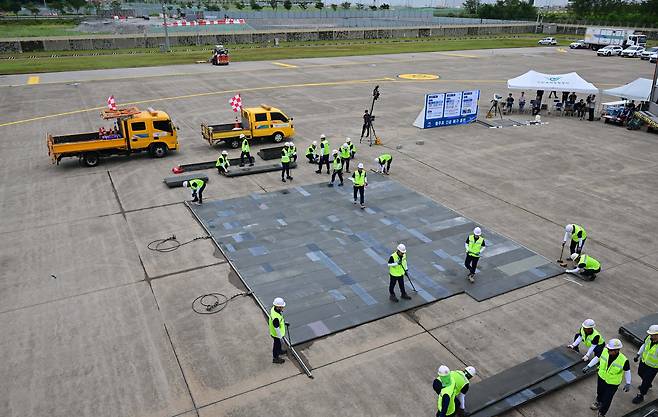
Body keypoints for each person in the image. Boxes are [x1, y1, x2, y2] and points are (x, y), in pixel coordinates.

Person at [583, 338, 631, 417]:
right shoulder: (604, 351)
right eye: (608, 348)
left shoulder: (624, 360)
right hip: (601, 377)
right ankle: (598, 402)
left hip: (613, 383)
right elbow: (597, 358)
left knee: (607, 399)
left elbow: (627, 371)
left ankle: (602, 413)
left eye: (610, 350)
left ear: (616, 350)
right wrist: (588, 366)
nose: (608, 350)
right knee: (600, 392)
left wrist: (628, 383)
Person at [632, 324, 658, 404]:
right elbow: (644, 345)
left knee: (646, 381)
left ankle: (641, 395)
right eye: (650, 334)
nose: (650, 336)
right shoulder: (648, 338)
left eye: (652, 335)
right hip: (643, 361)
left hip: (653, 367)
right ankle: (647, 384)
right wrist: (638, 355)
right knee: (640, 373)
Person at [269, 297, 287, 364]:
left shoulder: (273, 309)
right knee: (276, 345)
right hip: (276, 334)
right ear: (278, 307)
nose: (283, 308)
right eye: (281, 307)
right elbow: (276, 327)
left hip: (276, 333)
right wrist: (280, 337)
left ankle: (279, 351)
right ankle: (275, 358)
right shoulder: (276, 317)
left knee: (278, 345)